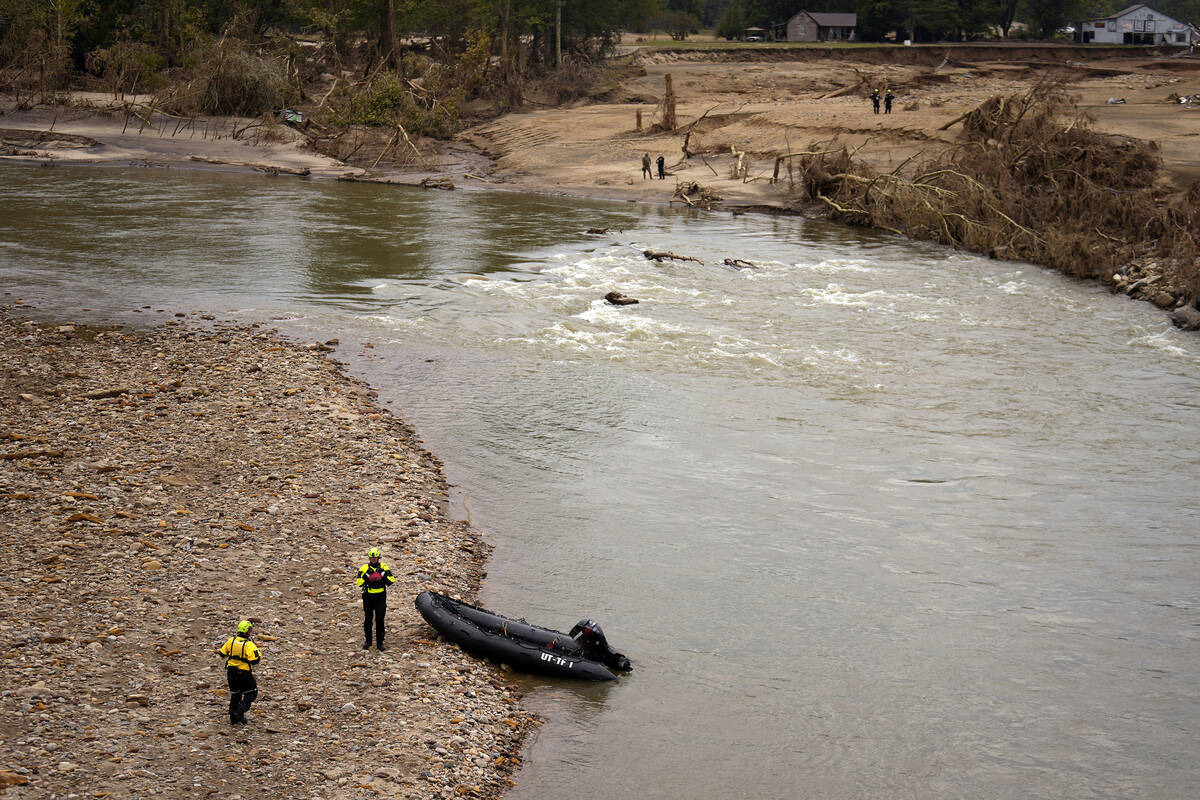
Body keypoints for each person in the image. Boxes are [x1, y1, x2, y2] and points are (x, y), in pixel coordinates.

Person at [217, 620, 261, 725]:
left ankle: (233, 718)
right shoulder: (249, 645)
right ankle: (239, 711)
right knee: (252, 693)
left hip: (231, 672)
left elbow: (222, 653)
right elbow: (255, 660)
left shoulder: (231, 641)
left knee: (235, 693)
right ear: (247, 631)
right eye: (250, 630)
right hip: (244, 673)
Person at [356, 548, 395, 650]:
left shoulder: (384, 567)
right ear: (369, 558)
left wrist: (384, 575)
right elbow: (359, 583)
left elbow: (391, 581)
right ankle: (368, 641)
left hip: (380, 597)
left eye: (375, 557)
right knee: (368, 619)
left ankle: (380, 643)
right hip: (368, 596)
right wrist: (366, 576)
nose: (373, 559)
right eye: (372, 557)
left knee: (380, 619)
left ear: (378, 557)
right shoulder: (364, 568)